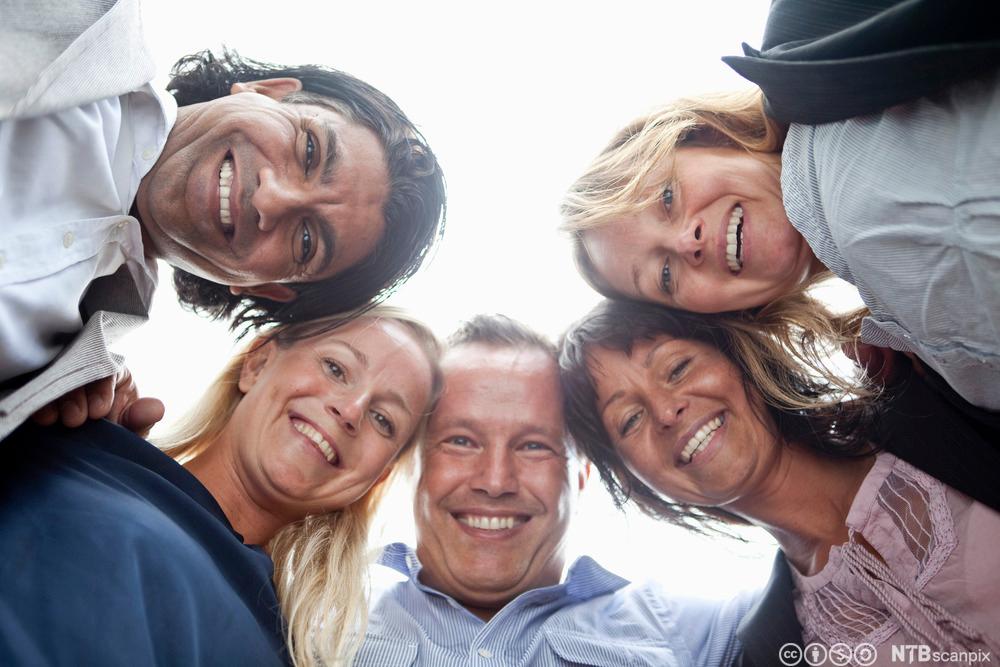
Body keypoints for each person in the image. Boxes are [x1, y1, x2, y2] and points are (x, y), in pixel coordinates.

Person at [0, 0, 446, 439]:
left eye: (307, 240)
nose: (271, 199)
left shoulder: (79, 368)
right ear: (265, 91)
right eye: (309, 150)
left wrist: (69, 444)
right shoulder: (88, 19)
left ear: (265, 287)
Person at [559, 299, 1000, 666]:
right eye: (630, 419)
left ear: (736, 355)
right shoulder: (770, 648)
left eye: (677, 368)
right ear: (633, 479)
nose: (666, 411)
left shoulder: (934, 396)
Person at [560, 49, 1000, 411]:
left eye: (668, 197)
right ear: (718, 315)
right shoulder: (880, 297)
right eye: (664, 276)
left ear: (709, 136)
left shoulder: (848, 198)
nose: (684, 243)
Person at [0, 307, 442, 666]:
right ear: (258, 362)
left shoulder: (278, 650)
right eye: (336, 368)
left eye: (383, 420)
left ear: (375, 478)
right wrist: (45, 377)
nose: (351, 410)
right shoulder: (67, 429)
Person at [354, 314, 753, 667]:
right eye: (461, 441)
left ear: (581, 475)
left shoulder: (700, 636)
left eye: (533, 446)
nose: (495, 482)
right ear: (410, 465)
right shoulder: (326, 624)